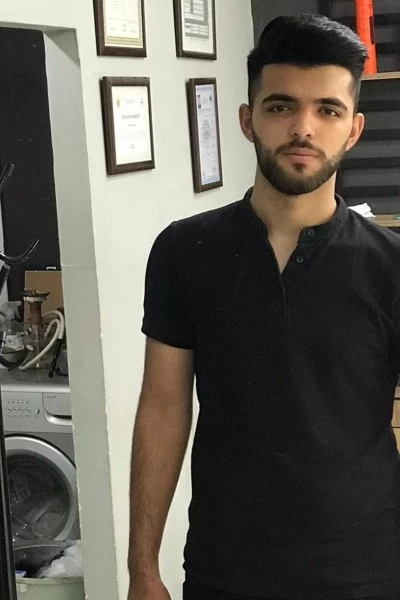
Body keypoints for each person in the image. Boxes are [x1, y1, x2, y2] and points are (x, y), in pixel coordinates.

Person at [127, 13, 400, 600]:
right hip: (224, 571)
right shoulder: (185, 251)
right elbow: (163, 408)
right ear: (248, 119)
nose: (303, 127)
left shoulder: (389, 267)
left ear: (353, 130)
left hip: (368, 572)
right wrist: (142, 568)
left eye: (327, 110)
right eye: (281, 106)